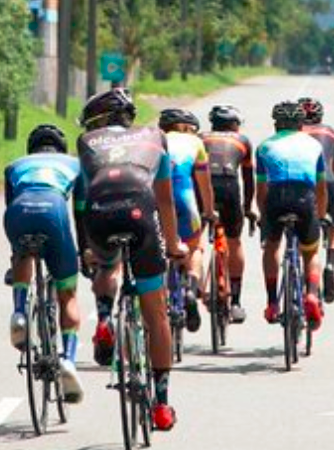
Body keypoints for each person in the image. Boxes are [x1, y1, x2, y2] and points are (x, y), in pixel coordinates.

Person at [74, 88, 186, 431]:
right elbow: (165, 201)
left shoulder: (86, 141)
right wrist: (173, 245)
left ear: (99, 120)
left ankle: (106, 318)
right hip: (140, 212)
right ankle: (163, 404)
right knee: (156, 314)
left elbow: (80, 199)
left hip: (99, 213)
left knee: (108, 264)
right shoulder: (155, 136)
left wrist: (86, 249)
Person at [3, 124, 86, 403]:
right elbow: (80, 213)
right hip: (54, 210)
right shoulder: (75, 164)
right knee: (68, 293)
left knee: (23, 252)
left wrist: (14, 260)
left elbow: (10, 206)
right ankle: (69, 360)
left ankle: (19, 312)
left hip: (19, 212)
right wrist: (84, 250)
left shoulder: (15, 165)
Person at [255, 100, 327, 330]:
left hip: (276, 198)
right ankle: (312, 296)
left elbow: (261, 189)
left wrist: (263, 215)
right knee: (311, 251)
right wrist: (321, 214)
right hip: (305, 199)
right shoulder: (314, 145)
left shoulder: (264, 146)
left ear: (276, 124)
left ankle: (272, 303)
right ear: (301, 125)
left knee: (272, 247)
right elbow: (321, 188)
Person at [158, 108, 215, 333]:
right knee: (195, 248)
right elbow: (205, 184)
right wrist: (209, 211)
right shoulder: (195, 142)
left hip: (156, 202)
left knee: (158, 249)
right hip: (185, 200)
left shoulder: (153, 140)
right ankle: (191, 289)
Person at [200, 104, 256, 323]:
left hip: (203, 188)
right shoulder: (242, 141)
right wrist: (248, 208)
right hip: (229, 187)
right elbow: (248, 179)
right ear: (235, 125)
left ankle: (193, 284)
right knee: (234, 242)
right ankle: (235, 302)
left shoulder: (200, 138)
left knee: (194, 241)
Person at [297, 97, 334, 303]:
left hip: (298, 183)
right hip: (328, 182)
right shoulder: (332, 132)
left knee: (301, 226)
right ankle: (330, 265)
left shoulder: (292, 134)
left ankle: (300, 266)